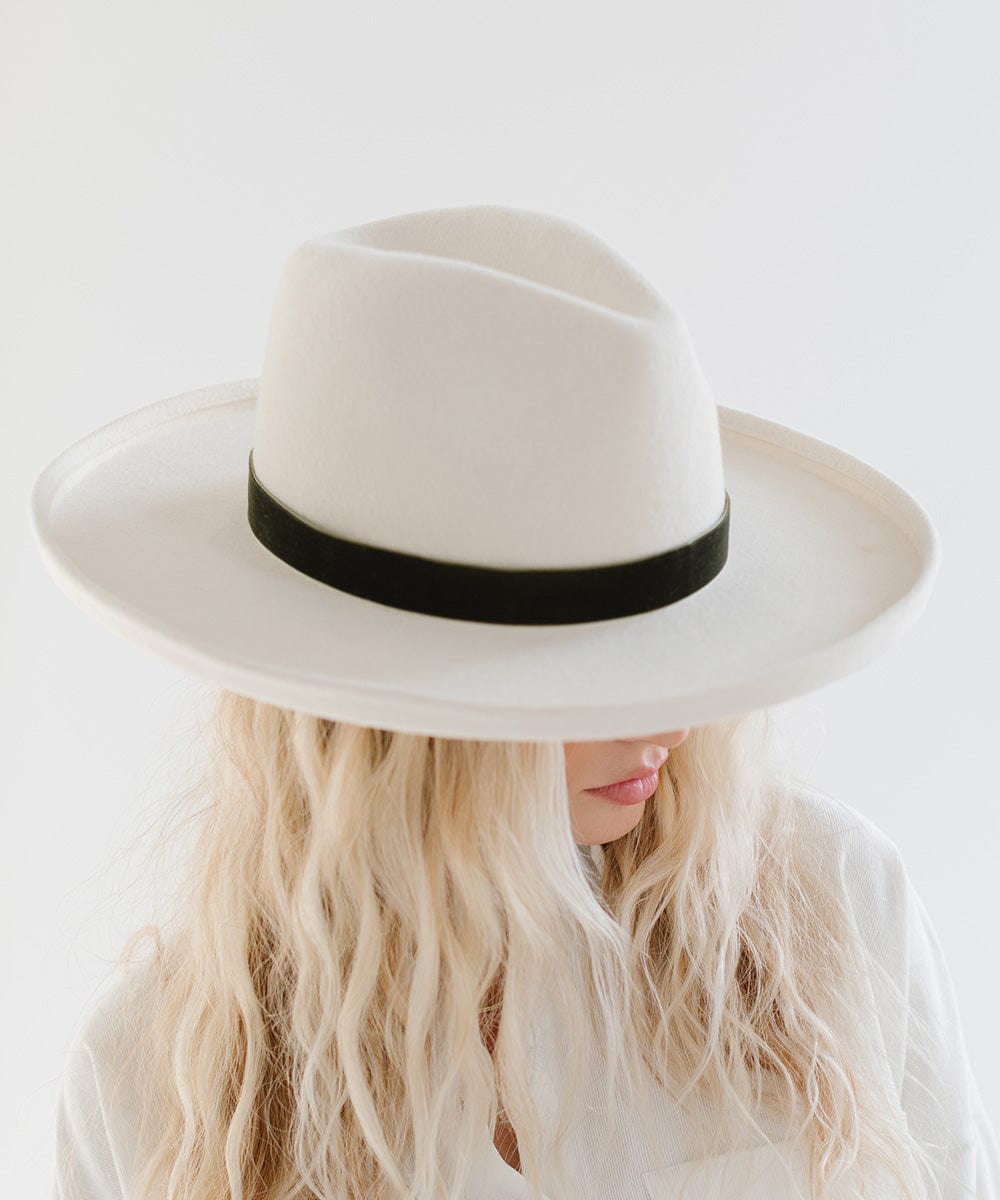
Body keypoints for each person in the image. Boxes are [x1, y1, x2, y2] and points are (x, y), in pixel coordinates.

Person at [32, 204, 999, 1200]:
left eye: (672, 654)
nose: (670, 725)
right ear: (389, 729)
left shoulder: (828, 914)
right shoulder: (151, 1088)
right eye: (589, 677)